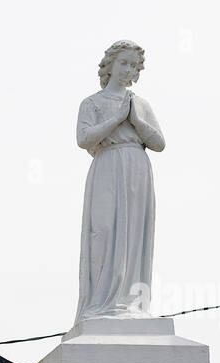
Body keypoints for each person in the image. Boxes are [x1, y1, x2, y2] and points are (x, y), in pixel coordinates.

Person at [75, 40, 164, 322]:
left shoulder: (141, 105)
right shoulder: (92, 103)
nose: (128, 70)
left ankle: (130, 303)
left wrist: (136, 120)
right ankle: (99, 302)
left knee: (134, 234)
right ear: (110, 64)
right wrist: (116, 119)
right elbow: (84, 139)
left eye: (133, 65)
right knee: (103, 231)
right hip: (107, 166)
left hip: (137, 167)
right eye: (123, 63)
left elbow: (159, 143)